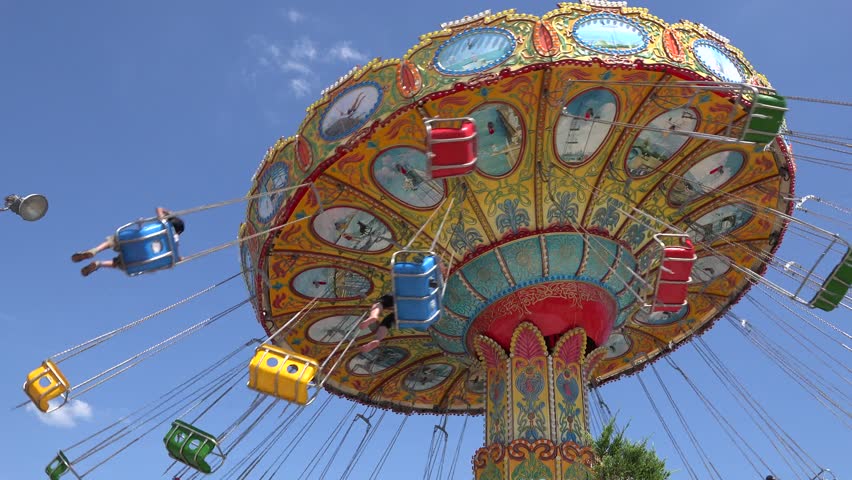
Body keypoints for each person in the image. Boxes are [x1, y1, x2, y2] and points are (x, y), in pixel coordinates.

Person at [71, 207, 185, 277]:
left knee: (114, 240)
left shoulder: (164, 224)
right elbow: (175, 259)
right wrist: (180, 258)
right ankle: (99, 264)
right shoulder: (175, 241)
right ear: (179, 232)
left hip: (134, 241)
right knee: (120, 264)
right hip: (139, 259)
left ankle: (96, 250)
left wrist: (171, 213)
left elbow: (159, 208)